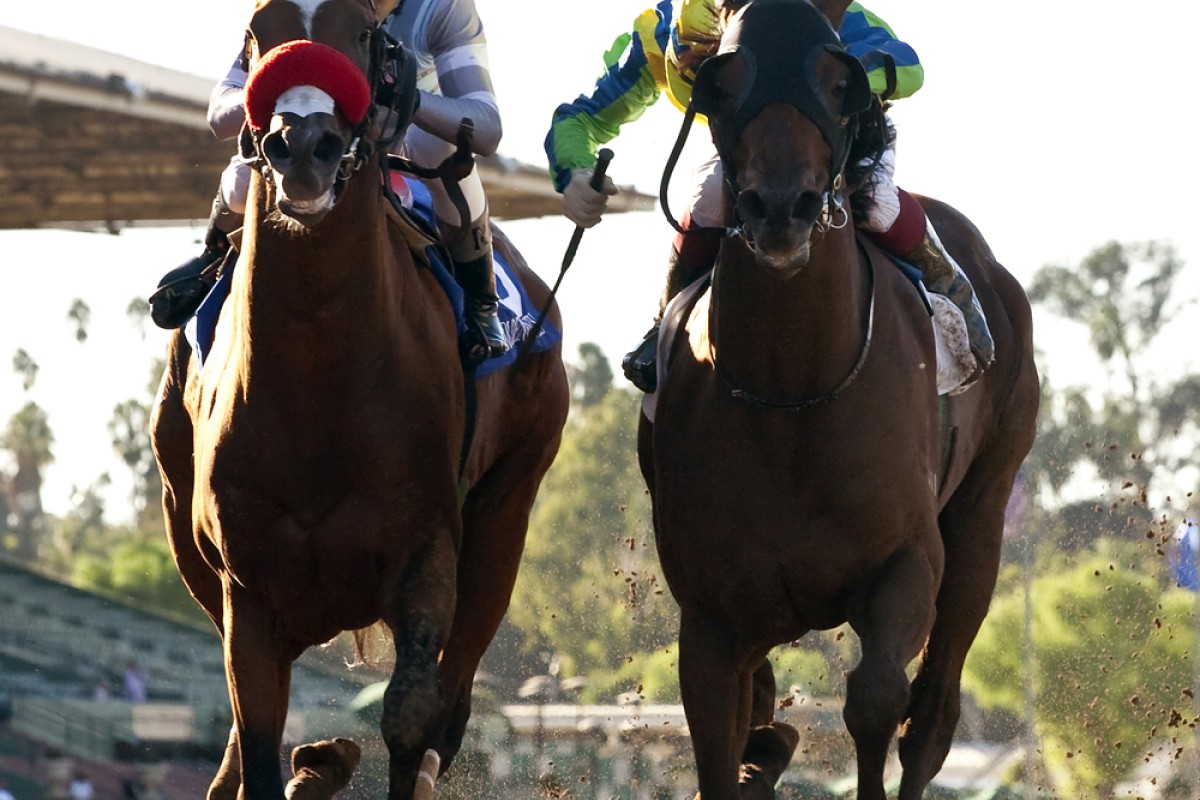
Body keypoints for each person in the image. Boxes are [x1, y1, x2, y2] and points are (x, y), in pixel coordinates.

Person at [545, 0, 995, 392]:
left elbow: (909, 65)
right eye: (694, 62)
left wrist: (846, 74)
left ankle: (951, 286)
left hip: (842, 137)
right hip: (751, 147)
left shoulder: (808, 15)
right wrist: (575, 174)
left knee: (878, 201)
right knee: (706, 198)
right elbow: (582, 117)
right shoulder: (657, 32)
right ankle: (663, 326)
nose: (692, 63)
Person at [150, 0, 507, 362]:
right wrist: (271, 91)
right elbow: (220, 113)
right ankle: (211, 258)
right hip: (321, 131)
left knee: (437, 147)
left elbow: (487, 127)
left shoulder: (442, 7)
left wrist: (404, 98)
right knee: (245, 178)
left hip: (402, 134)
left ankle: (480, 298)